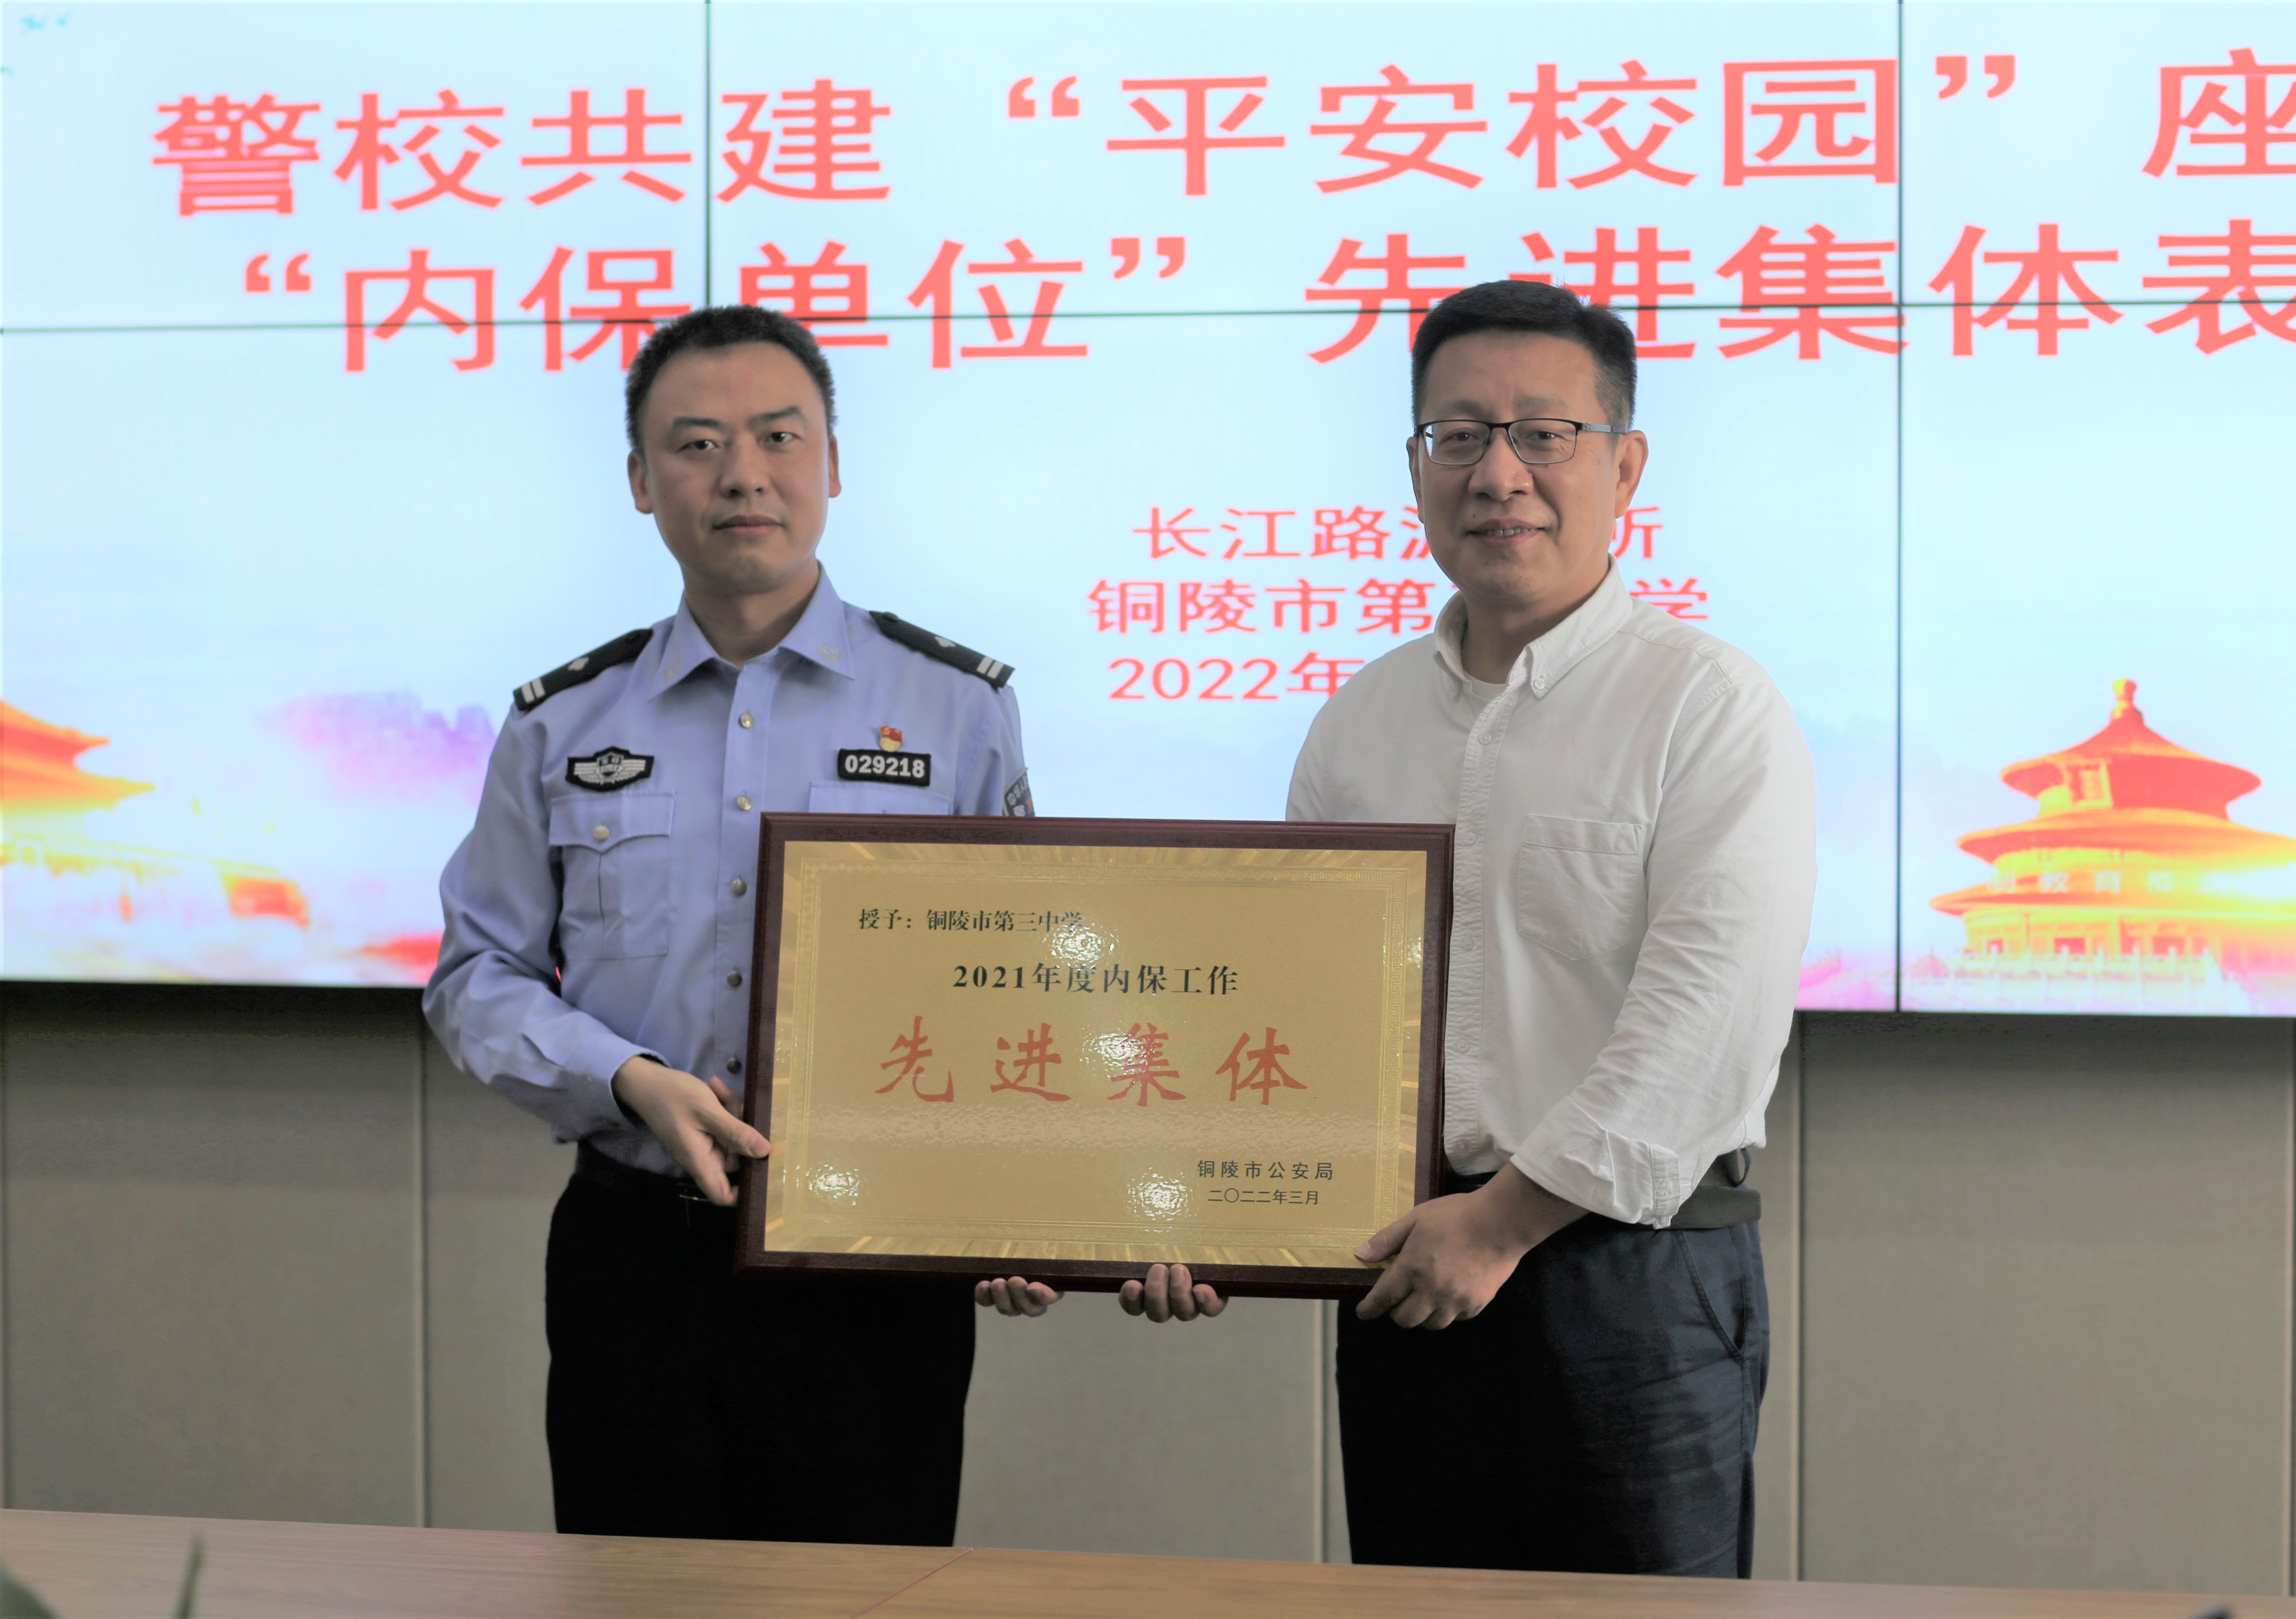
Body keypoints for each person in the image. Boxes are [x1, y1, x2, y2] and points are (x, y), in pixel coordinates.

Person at [1176, 279, 1816, 1575]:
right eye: (1458, 436)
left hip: (1633, 1278)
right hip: (1410, 1267)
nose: (1499, 474)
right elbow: (1296, 1016)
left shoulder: (1707, 705)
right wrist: (1189, 1213)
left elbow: (1709, 1018)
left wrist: (1506, 1220)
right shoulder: (1357, 724)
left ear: (1625, 466)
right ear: (1416, 466)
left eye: (1545, 434)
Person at [423, 304, 1059, 1545]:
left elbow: (1027, 977)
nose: (743, 475)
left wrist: (1021, 1195)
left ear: (834, 463)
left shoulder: (958, 708)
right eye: (698, 445)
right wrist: (625, 1078)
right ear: (640, 481)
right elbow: (475, 975)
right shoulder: (562, 721)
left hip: (874, 1260)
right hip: (635, 1253)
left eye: (779, 436)